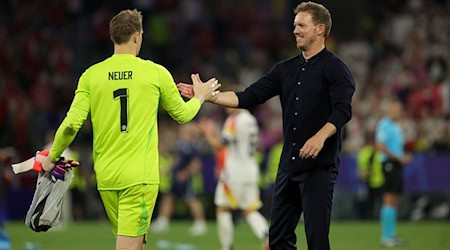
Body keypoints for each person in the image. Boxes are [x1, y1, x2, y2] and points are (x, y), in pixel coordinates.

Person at [178, 2, 355, 249]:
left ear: (320, 29)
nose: (295, 30)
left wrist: (320, 136)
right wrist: (207, 96)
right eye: (294, 26)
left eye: (302, 25)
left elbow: (343, 110)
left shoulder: (335, 68)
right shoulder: (285, 69)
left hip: (319, 168)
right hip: (288, 166)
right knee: (278, 239)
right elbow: (247, 97)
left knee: (316, 240)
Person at [40, 9, 220, 250]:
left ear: (113, 36)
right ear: (137, 36)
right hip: (139, 178)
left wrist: (53, 156)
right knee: (127, 246)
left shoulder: (91, 76)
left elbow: (71, 124)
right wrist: (201, 96)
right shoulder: (155, 72)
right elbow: (182, 115)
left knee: (135, 243)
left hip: (106, 177)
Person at [198, 108, 269, 250]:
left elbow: (220, 145)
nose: (225, 106)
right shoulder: (250, 119)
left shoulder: (234, 120)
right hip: (250, 170)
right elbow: (232, 141)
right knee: (250, 210)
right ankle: (269, 238)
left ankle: (227, 247)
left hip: (234, 172)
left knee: (223, 208)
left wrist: (207, 133)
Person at [151, 124, 208, 236]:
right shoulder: (182, 144)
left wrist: (185, 173)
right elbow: (176, 159)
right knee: (169, 197)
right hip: (175, 176)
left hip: (187, 178)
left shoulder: (194, 146)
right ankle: (163, 221)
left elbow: (196, 164)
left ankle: (200, 223)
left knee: (191, 199)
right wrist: (167, 170)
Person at [375, 100, 412, 247]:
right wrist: (399, 157)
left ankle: (392, 234)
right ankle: (385, 236)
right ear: (390, 110)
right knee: (389, 199)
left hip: (396, 164)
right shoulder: (384, 124)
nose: (398, 112)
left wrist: (404, 156)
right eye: (396, 109)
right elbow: (380, 146)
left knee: (394, 199)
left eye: (399, 109)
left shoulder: (396, 125)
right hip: (389, 164)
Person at [356, 130, 384, 219]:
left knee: (370, 202)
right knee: (381, 201)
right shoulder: (379, 151)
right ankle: (378, 218)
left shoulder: (364, 152)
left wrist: (363, 174)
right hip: (380, 179)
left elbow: (361, 168)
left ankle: (369, 218)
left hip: (370, 180)